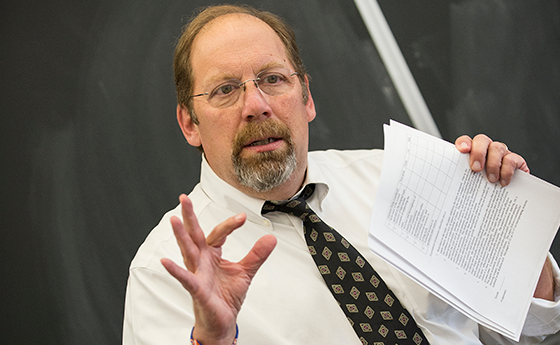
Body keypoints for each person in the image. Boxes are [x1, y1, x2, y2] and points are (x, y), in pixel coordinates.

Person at [123, 4, 559, 345]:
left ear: (307, 97)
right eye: (225, 89)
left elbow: (530, 329)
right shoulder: (165, 270)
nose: (255, 104)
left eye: (273, 79)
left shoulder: (399, 179)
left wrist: (509, 223)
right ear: (190, 124)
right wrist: (214, 339)